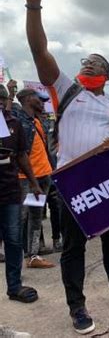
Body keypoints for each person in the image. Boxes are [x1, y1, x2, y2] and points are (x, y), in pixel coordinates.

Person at [19, 0, 109, 333]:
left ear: (107, 75)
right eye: (86, 60)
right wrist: (34, 8)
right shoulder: (67, 90)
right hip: (72, 184)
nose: (89, 63)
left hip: (107, 186)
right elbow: (40, 51)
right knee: (74, 249)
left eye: (96, 62)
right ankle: (77, 307)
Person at [0, 84, 42, 304]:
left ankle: (14, 287)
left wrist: (34, 184)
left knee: (14, 241)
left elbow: (22, 156)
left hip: (9, 192)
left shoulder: (13, 123)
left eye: (1, 99)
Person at [13, 88, 55, 269]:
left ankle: (34, 255)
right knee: (20, 218)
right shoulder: (16, 120)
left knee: (36, 216)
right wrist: (33, 182)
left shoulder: (37, 120)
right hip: (26, 180)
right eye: (39, 99)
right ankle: (16, 259)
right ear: (29, 99)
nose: (43, 103)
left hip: (43, 176)